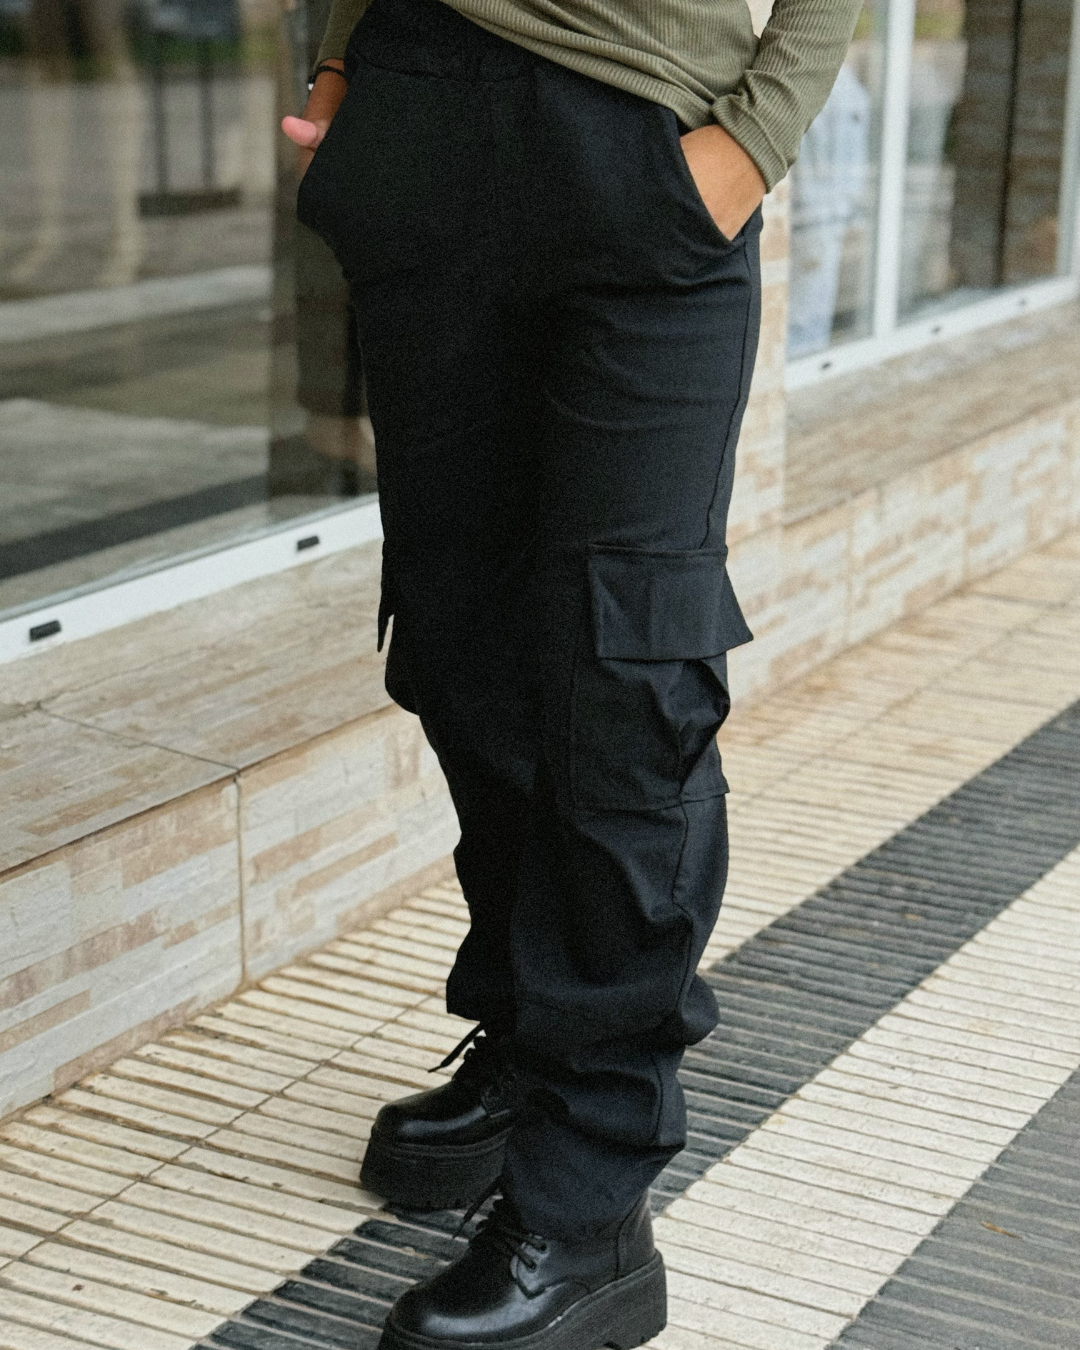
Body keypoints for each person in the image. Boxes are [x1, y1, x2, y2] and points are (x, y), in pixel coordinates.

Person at [282, 0, 861, 1344]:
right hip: (421, 115)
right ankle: (528, 1043)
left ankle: (588, 1199)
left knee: (623, 675)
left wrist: (754, 139)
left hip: (643, 141)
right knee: (462, 647)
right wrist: (347, 60)